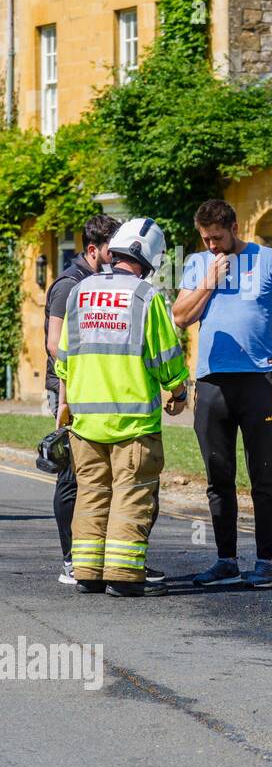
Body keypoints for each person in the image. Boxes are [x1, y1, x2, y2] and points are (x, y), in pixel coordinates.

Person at [173, 199, 272, 590]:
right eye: (205, 239)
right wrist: (209, 279)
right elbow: (180, 316)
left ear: (234, 228)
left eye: (217, 238)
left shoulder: (268, 259)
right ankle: (225, 561)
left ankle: (266, 562)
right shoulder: (196, 263)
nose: (212, 246)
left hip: (257, 382)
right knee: (218, 476)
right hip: (211, 383)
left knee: (263, 475)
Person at [55, 218, 190, 597]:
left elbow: (64, 357)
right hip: (132, 423)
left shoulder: (79, 293)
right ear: (150, 260)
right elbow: (166, 359)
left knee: (92, 493)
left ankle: (86, 571)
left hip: (85, 421)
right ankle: (124, 575)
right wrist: (179, 392)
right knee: (133, 493)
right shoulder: (146, 297)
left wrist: (65, 405)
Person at [43, 214, 118, 584]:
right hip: (68, 390)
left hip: (93, 390)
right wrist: (65, 399)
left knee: (94, 476)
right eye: (111, 251)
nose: (118, 258)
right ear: (93, 250)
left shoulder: (101, 284)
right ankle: (73, 560)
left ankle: (95, 557)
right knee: (72, 477)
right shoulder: (69, 286)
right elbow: (55, 346)